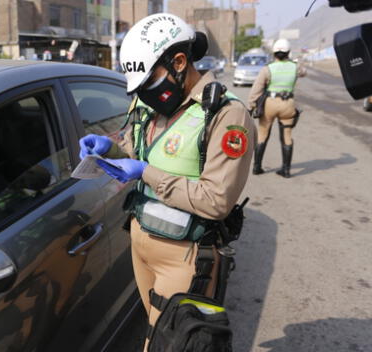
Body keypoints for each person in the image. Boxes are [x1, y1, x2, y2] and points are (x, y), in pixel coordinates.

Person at [78, 13, 255, 349]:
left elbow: (216, 200)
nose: (144, 92)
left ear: (178, 62)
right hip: (142, 241)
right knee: (154, 331)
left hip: (185, 255)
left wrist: (145, 173)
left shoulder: (225, 114)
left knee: (172, 341)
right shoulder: (153, 107)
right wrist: (110, 148)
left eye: (149, 80)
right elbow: (137, 149)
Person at [248, 38, 306, 178]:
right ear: (288, 52)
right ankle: (286, 170)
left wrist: (251, 105)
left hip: (270, 104)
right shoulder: (295, 67)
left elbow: (256, 89)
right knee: (287, 136)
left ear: (274, 53)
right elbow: (304, 72)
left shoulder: (268, 69)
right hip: (288, 105)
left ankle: (257, 167)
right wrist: (295, 62)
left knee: (263, 134)